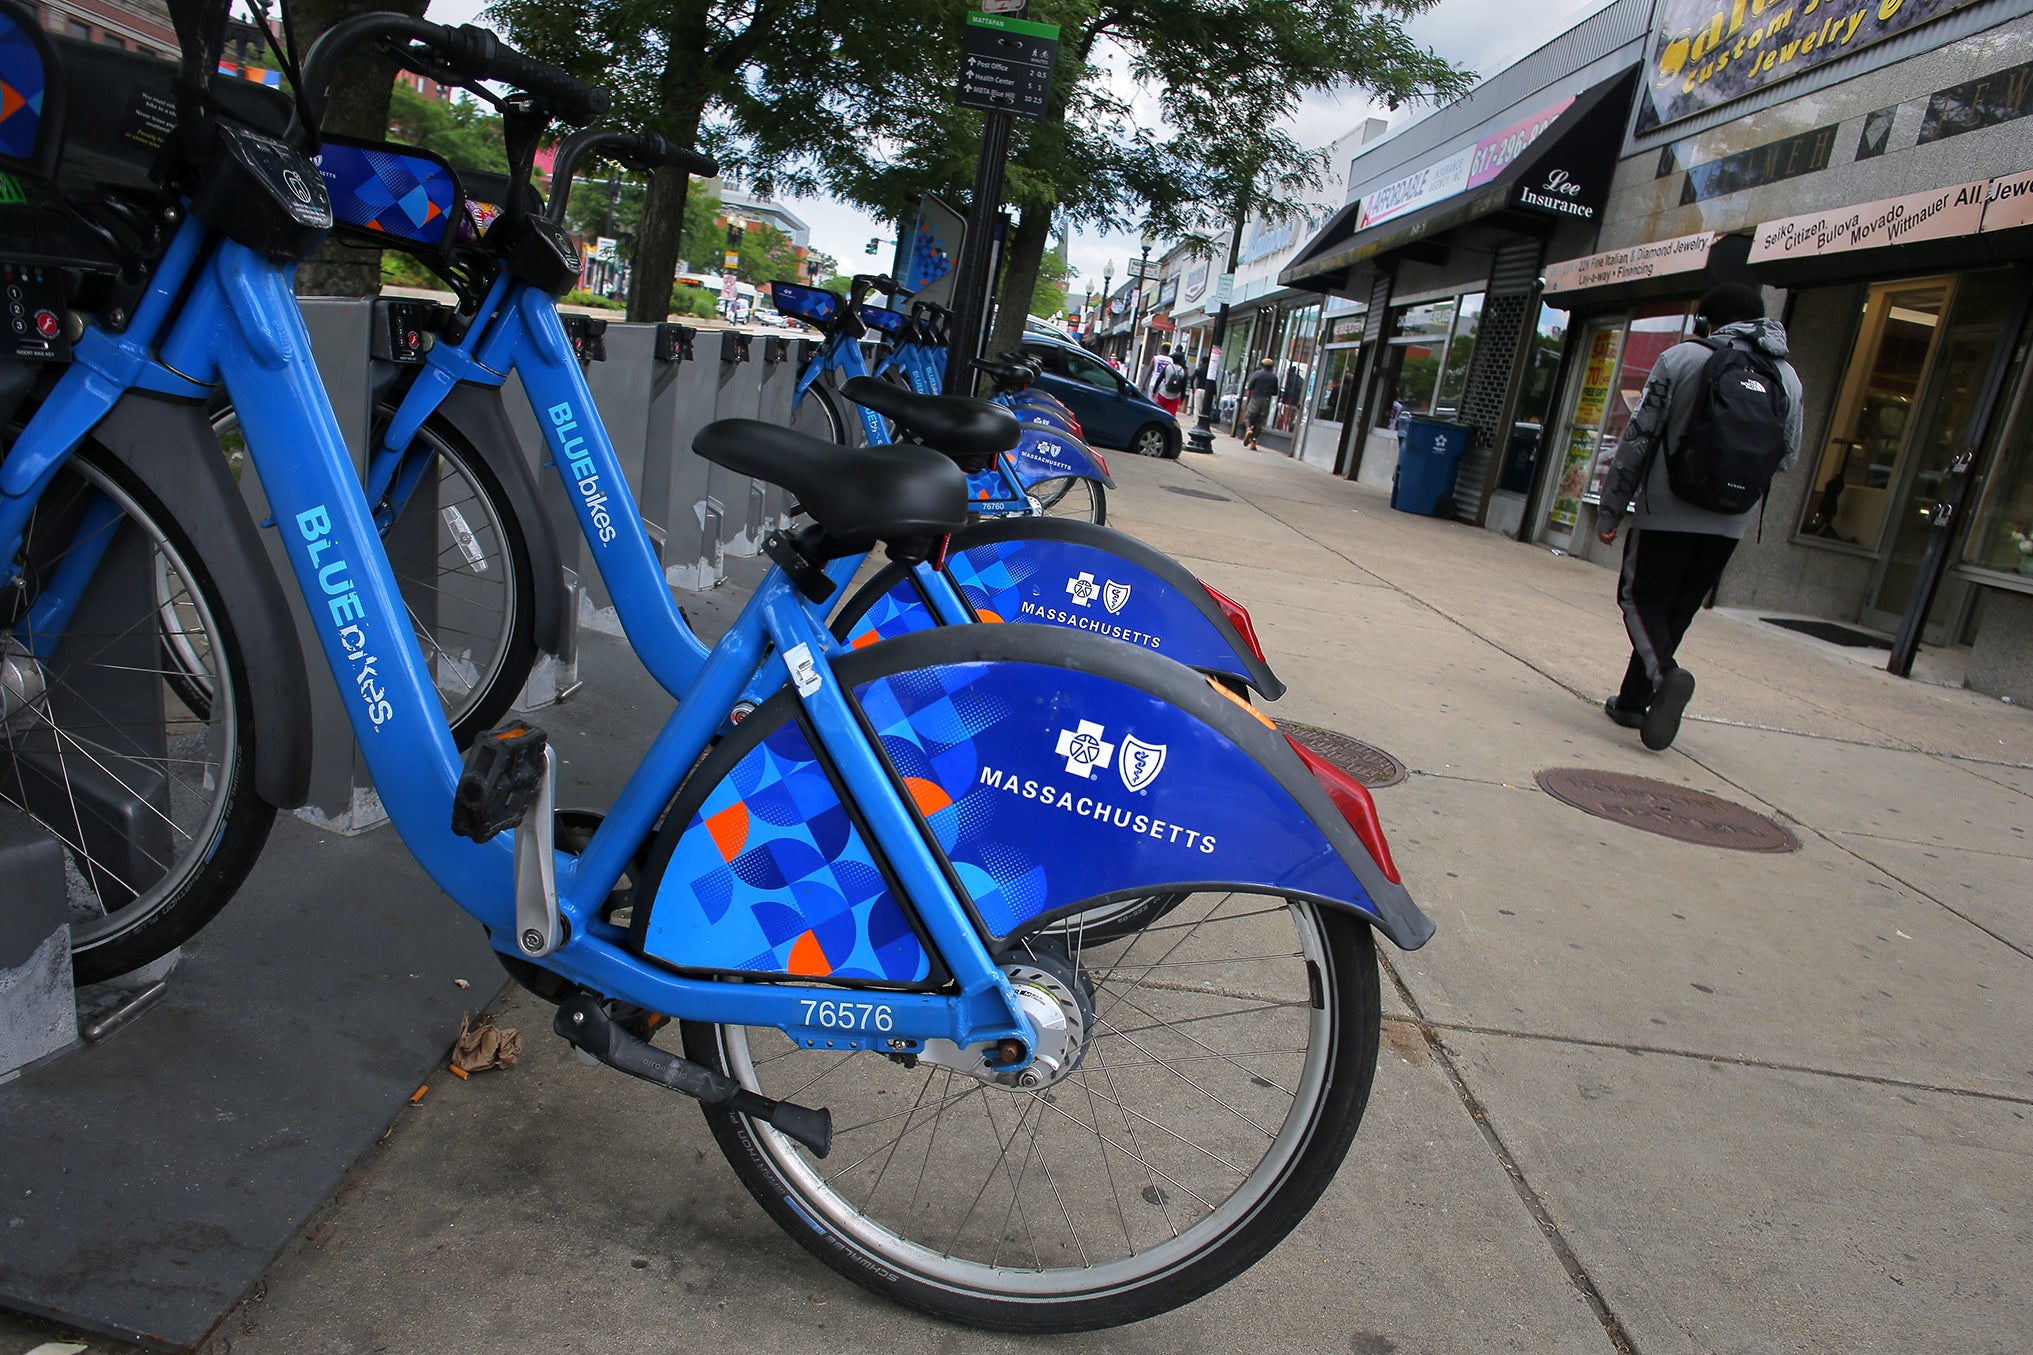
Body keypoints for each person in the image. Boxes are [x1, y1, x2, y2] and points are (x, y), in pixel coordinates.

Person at [1595, 283, 1803, 752]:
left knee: (1638, 597)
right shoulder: (1787, 376)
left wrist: (1611, 509)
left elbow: (1638, 440)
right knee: (1678, 607)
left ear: (1708, 321)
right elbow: (1787, 457)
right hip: (1732, 516)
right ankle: (1633, 702)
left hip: (1668, 509)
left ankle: (1664, 675)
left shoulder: (1682, 358)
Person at [1241, 358, 1279, 448]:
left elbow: (1250, 387)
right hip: (1266, 400)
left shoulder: (1257, 374)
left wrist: (1247, 399)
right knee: (1260, 421)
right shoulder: (1274, 377)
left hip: (1255, 398)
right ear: (1271, 367)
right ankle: (1253, 441)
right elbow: (1275, 392)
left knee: (1248, 417)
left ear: (1262, 366)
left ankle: (1249, 429)